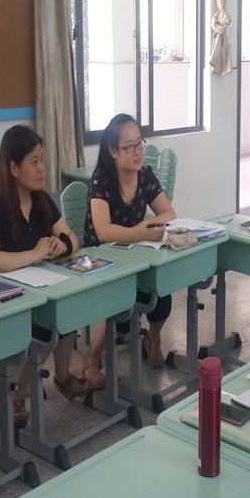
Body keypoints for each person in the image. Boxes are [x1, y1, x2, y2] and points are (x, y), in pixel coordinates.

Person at [0, 125, 96, 428]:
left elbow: (72, 238)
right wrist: (34, 253)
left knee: (67, 307)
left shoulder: (41, 199)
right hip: (4, 299)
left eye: (43, 159)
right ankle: (16, 393)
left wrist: (62, 245)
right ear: (14, 168)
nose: (42, 168)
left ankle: (62, 376)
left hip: (39, 290)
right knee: (45, 325)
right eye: (34, 162)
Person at [83, 113, 176, 369]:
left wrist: (149, 228)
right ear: (113, 151)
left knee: (161, 289)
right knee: (124, 298)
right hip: (100, 260)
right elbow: (103, 232)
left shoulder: (144, 176)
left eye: (139, 143)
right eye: (129, 147)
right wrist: (141, 231)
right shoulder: (101, 180)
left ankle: (153, 338)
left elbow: (169, 213)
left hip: (135, 255)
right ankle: (91, 359)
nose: (137, 152)